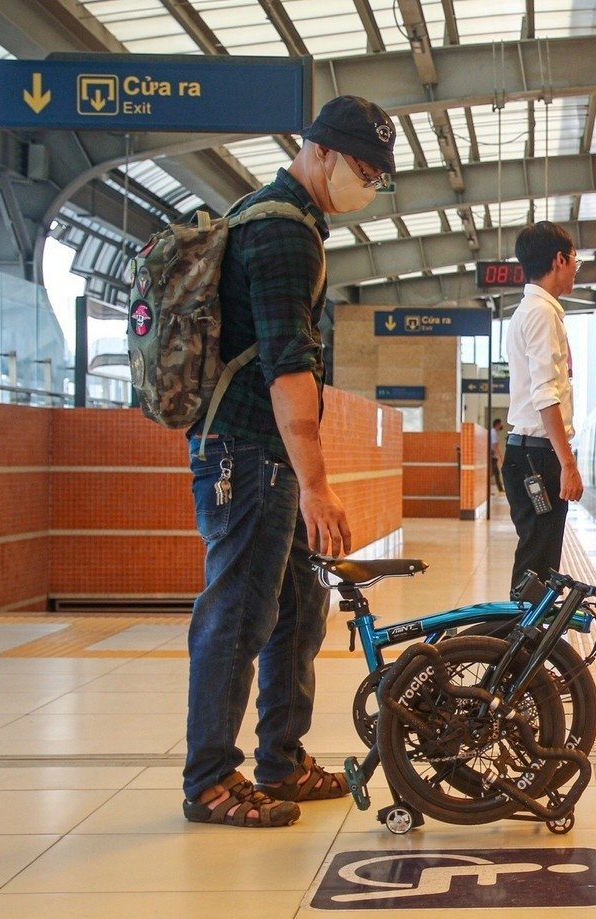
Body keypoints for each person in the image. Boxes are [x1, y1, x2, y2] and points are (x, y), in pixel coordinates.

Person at [181, 95, 396, 828]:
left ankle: (281, 758)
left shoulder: (291, 221)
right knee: (237, 615)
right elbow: (285, 366)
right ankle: (210, 780)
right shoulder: (281, 231)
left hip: (261, 453)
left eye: (377, 176)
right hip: (247, 454)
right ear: (321, 152)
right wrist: (317, 484)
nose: (366, 185)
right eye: (363, 169)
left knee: (297, 611)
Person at [502, 221, 584, 590]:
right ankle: (516, 645)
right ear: (559, 259)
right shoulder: (541, 313)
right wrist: (567, 463)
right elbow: (546, 394)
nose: (576, 269)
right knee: (536, 568)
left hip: (530, 455)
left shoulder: (534, 310)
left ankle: (523, 644)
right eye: (575, 261)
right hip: (536, 457)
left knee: (538, 563)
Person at [489, 418, 505, 493]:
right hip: (491, 456)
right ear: (497, 425)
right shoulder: (493, 433)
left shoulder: (495, 432)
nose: (502, 425)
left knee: (495, 472)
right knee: (493, 472)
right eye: (501, 424)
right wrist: (500, 457)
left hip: (493, 456)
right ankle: (499, 489)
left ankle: (500, 489)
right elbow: (495, 446)